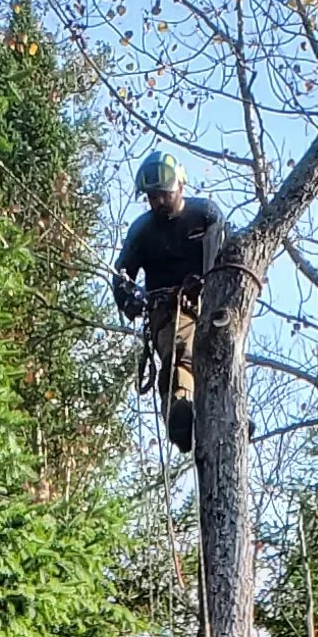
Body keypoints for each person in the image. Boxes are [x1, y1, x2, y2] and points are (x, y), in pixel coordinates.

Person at [113, 149, 223, 451]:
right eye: (152, 197)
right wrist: (129, 299)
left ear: (181, 187)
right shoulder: (143, 231)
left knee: (222, 357)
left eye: (163, 194)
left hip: (212, 305)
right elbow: (122, 273)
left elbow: (226, 253)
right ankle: (180, 413)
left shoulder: (205, 215)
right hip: (168, 309)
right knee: (180, 351)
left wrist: (204, 280)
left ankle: (225, 416)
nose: (158, 202)